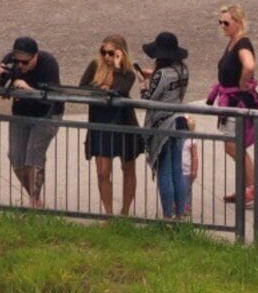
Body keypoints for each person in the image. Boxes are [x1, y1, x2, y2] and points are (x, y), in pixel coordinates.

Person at [0, 35, 64, 205]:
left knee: (33, 156)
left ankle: (34, 201)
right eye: (18, 61)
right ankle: (35, 198)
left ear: (35, 56)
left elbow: (51, 98)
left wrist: (28, 90)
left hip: (47, 113)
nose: (20, 66)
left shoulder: (48, 64)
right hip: (21, 113)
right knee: (16, 159)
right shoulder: (10, 61)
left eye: (25, 62)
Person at [208, 5, 258, 212]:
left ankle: (253, 187)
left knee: (234, 146)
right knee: (233, 145)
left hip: (236, 101)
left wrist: (242, 84)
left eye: (226, 23)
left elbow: (249, 65)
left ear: (238, 23)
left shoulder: (242, 42)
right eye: (220, 22)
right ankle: (249, 186)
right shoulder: (233, 42)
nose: (222, 26)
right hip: (229, 100)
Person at [80, 34, 142, 217]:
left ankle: (125, 213)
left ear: (120, 53)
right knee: (102, 172)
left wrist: (116, 68)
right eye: (103, 52)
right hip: (100, 121)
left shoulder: (128, 71)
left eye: (111, 53)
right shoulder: (94, 66)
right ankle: (108, 214)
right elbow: (82, 87)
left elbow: (121, 90)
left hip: (123, 122)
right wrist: (101, 90)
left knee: (128, 168)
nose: (106, 57)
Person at [140, 31, 198, 220]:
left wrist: (144, 84)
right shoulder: (183, 70)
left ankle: (168, 214)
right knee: (177, 170)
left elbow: (150, 98)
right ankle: (180, 213)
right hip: (179, 120)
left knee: (164, 171)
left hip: (163, 125)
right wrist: (153, 77)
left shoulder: (162, 74)